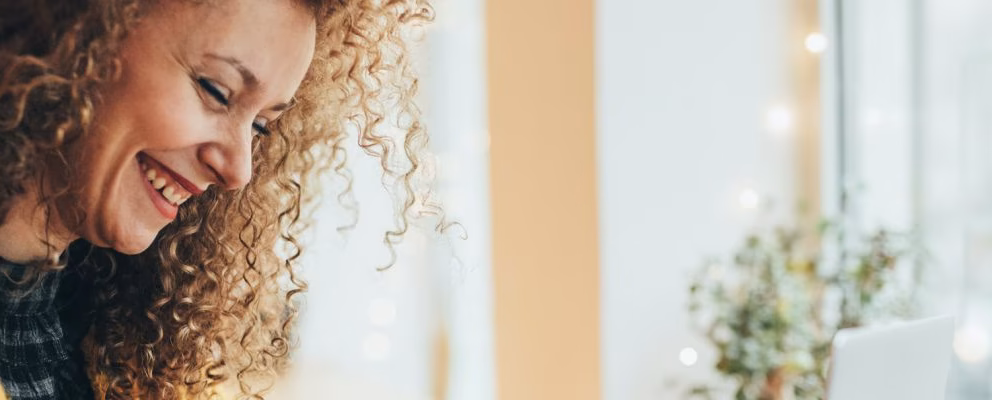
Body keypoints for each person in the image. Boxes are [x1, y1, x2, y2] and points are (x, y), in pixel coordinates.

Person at [0, 0, 439, 398]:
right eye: (216, 90)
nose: (238, 171)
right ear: (77, 32)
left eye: (261, 127)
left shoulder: (104, 346)